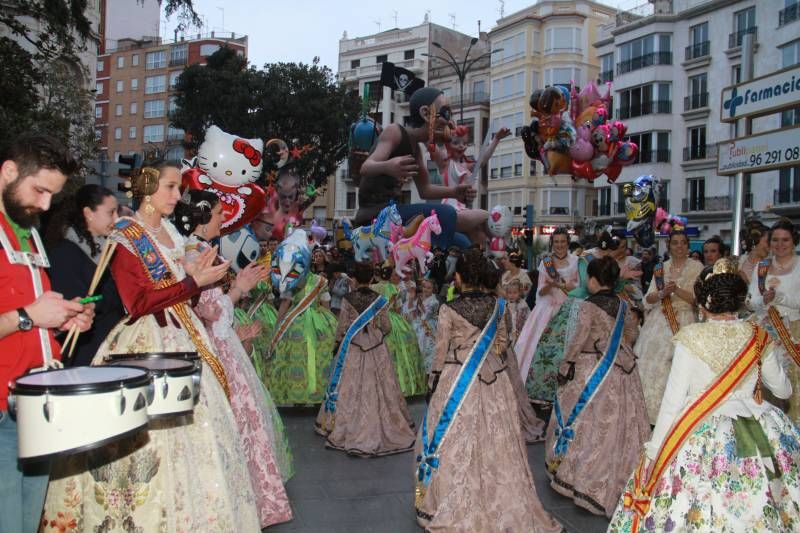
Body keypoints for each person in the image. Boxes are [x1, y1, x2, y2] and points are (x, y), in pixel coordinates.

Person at [42, 160, 261, 531]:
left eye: (179, 188)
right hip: (143, 345)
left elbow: (180, 297)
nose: (178, 195)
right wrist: (193, 283)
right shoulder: (127, 235)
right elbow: (137, 302)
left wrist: (199, 281)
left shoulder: (173, 236)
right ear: (145, 185)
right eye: (171, 187)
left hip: (182, 336)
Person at [609, 259, 799, 532]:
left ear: (704, 302)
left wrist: (653, 454)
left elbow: (672, 402)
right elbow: (783, 390)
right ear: (739, 301)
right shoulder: (758, 335)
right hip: (758, 429)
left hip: (700, 428)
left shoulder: (690, 337)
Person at [414, 247, 561, 532]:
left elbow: (440, 351)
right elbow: (503, 342)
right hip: (493, 378)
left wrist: (433, 380)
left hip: (457, 377)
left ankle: (450, 498)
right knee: (496, 438)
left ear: (458, 277)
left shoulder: (448, 308)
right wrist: (486, 355)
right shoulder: (499, 305)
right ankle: (497, 498)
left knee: (453, 438)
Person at [180, 190, 294, 525]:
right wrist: (239, 288)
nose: (222, 219)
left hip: (222, 344)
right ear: (203, 217)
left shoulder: (202, 249)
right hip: (215, 352)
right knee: (237, 425)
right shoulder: (194, 252)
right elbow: (208, 309)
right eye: (217, 213)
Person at [0, 136, 94, 533]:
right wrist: (28, 316)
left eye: (51, 196)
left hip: (34, 406)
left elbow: (31, 313)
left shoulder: (27, 228)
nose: (44, 205)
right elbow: (23, 315)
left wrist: (61, 318)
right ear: (8, 172)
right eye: (40, 190)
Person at [544, 256, 650, 517]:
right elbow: (632, 334)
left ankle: (582, 478)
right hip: (621, 370)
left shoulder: (586, 307)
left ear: (592, 280)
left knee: (582, 422)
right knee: (617, 426)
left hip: (591, 369)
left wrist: (566, 363)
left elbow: (579, 338)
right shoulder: (624, 305)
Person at [357, 87, 483, 248]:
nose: (450, 123)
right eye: (445, 114)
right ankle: (435, 263)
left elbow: (425, 190)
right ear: (425, 113)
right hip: (376, 215)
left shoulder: (415, 149)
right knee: (446, 214)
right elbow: (366, 167)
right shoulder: (395, 132)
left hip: (393, 213)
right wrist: (388, 166)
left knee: (462, 242)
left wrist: (454, 192)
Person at [315, 262, 416, 456]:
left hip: (354, 346)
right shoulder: (380, 299)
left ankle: (343, 424)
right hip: (377, 348)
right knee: (382, 386)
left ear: (354, 279)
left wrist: (338, 343)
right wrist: (376, 334)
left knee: (350, 385)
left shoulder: (348, 299)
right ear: (371, 279)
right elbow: (386, 326)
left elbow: (342, 326)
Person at [46, 184, 125, 367]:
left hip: (106, 347)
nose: (116, 219)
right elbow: (75, 302)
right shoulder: (65, 252)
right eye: (111, 212)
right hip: (83, 352)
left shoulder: (107, 249)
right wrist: (102, 299)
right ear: (89, 213)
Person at [636, 229, 704, 424]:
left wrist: (677, 290)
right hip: (660, 319)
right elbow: (647, 299)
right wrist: (661, 293)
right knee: (651, 365)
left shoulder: (697, 267)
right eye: (675, 243)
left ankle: (679, 418)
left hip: (685, 320)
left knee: (678, 367)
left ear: (688, 245)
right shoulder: (660, 268)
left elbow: (697, 300)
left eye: (683, 242)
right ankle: (649, 415)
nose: (680, 246)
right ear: (668, 246)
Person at [266, 229, 338, 406]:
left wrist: (277, 326)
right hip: (317, 326)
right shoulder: (321, 281)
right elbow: (326, 307)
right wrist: (332, 327)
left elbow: (284, 306)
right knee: (314, 359)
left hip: (293, 327)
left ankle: (296, 394)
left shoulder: (293, 281)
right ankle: (315, 394)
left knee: (293, 359)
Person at [747, 217, 800, 422]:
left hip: (793, 331)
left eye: (785, 240)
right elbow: (750, 301)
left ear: (793, 240)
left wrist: (779, 297)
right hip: (766, 331)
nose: (780, 245)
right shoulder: (762, 266)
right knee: (763, 382)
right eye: (775, 240)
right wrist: (764, 300)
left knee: (792, 383)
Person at [515, 228, 579, 390]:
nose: (559, 245)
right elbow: (540, 291)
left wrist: (561, 285)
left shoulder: (576, 261)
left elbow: (577, 286)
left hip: (568, 308)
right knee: (538, 345)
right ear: (552, 243)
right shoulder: (546, 263)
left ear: (568, 242)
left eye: (562, 241)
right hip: (547, 308)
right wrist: (550, 285)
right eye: (556, 242)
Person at [372, 267, 426, 396]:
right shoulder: (395, 289)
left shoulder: (373, 287)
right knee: (400, 351)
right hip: (393, 320)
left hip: (375, 319)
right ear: (390, 276)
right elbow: (397, 309)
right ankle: (402, 385)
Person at [739, 220, 770, 285]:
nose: (770, 246)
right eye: (767, 241)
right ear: (755, 241)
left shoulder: (771, 264)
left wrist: (746, 283)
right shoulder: (739, 263)